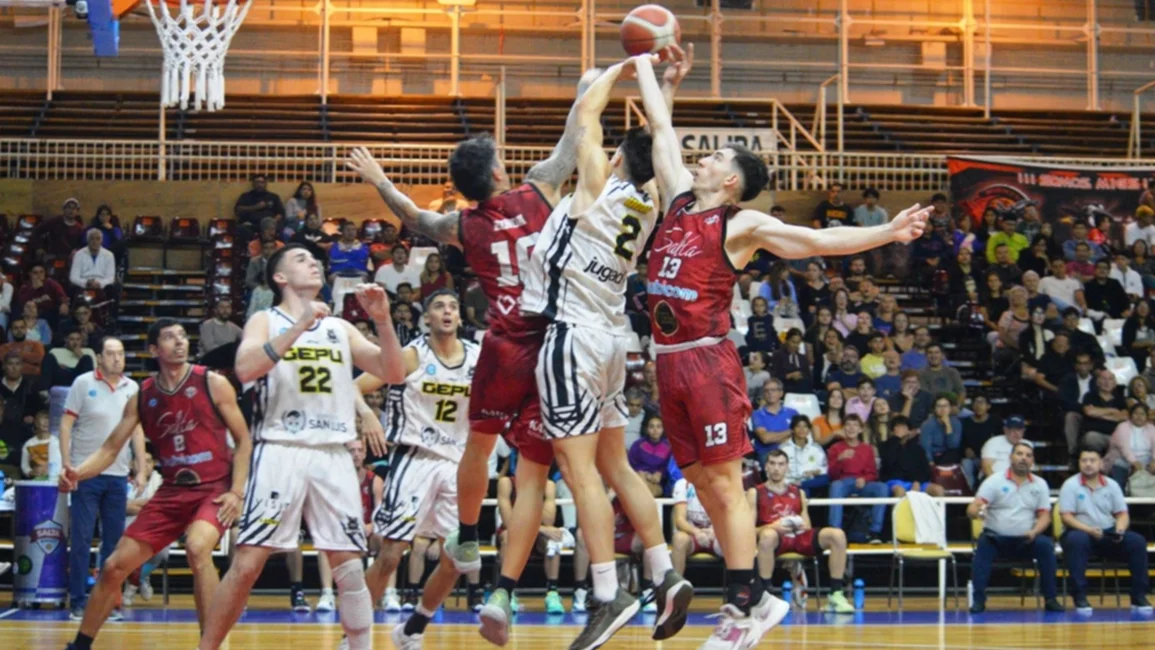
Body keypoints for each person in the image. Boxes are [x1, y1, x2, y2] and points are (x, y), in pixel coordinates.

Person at [346, 67, 596, 648]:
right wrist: (588, 90)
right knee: (538, 471)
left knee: (478, 444)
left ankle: (463, 536)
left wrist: (381, 179)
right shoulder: (538, 189)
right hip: (554, 348)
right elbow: (574, 139)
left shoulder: (464, 224)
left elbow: (412, 218)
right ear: (501, 171)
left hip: (504, 346)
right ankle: (525, 587)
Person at [488, 59, 693, 649]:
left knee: (579, 474)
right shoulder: (651, 205)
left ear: (618, 160)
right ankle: (664, 571)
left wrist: (624, 67)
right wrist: (665, 88)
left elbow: (586, 119)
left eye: (609, 153)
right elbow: (659, 144)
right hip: (610, 341)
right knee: (614, 466)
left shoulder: (597, 193)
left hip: (571, 337)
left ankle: (608, 595)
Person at [195, 245, 402, 650]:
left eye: (316, 260)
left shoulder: (340, 328)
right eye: (302, 259)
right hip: (280, 448)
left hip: (333, 452)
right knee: (248, 563)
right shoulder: (264, 319)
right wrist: (299, 326)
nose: (314, 263)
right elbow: (245, 368)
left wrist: (384, 320)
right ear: (280, 278)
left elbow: (393, 371)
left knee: (349, 566)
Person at [59, 322, 252, 650]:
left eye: (182, 336)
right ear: (153, 350)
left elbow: (244, 439)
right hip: (172, 492)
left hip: (213, 488)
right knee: (113, 566)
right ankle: (80, 645)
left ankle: (212, 645)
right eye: (169, 337)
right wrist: (77, 472)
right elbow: (109, 450)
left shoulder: (213, 382)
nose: (179, 342)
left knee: (197, 548)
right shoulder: (143, 396)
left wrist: (237, 490)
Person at [353, 289, 485, 644]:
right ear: (426, 317)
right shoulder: (411, 356)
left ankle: (411, 630)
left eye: (453, 307)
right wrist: (367, 415)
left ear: (460, 318)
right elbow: (354, 387)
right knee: (391, 553)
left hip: (458, 464)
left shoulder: (477, 358)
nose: (447, 311)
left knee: (454, 559)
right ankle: (355, 637)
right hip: (415, 458)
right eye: (439, 306)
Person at [58, 338, 142, 622]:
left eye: (121, 354)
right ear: (99, 357)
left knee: (114, 545)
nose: (117, 359)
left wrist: (141, 467)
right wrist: (67, 462)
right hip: (86, 474)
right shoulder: (83, 383)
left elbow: (137, 431)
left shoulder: (133, 388)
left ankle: (108, 603)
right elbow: (66, 423)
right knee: (81, 540)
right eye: (111, 354)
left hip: (118, 477)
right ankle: (78, 601)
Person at [752, 450, 854, 613]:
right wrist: (773, 526)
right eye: (772, 464)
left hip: (798, 536)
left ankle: (836, 594)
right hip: (775, 538)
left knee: (837, 535)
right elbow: (748, 530)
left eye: (781, 464)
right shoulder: (755, 492)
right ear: (766, 467)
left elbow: (807, 525)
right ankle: (765, 597)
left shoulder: (798, 492)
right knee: (767, 535)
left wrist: (797, 523)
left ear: (787, 467)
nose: (776, 468)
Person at [966, 442, 1063, 614]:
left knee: (1046, 546)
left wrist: (1035, 531)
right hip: (996, 538)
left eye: (1028, 455)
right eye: (1019, 454)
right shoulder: (994, 481)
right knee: (983, 545)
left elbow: (1045, 516)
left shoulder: (1040, 484)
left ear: (1032, 460)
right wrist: (978, 513)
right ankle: (979, 600)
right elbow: (973, 508)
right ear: (1011, 457)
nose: (1023, 458)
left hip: (1027, 539)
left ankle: (1050, 598)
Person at [1059, 447, 1152, 613]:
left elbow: (1122, 514)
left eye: (1092, 460)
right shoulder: (1070, 485)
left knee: (1137, 541)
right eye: (1084, 460)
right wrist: (1088, 530)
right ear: (1079, 463)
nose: (1088, 464)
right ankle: (1080, 596)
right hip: (1080, 531)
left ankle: (1138, 596)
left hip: (1108, 531)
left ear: (1101, 463)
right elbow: (1066, 517)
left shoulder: (1112, 485)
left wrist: (1120, 530)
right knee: (1076, 541)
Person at [826, 414, 888, 544]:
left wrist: (865, 479)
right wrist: (839, 460)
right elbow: (832, 475)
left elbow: (872, 473)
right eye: (848, 425)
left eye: (855, 425)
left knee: (882, 488)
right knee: (836, 486)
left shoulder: (867, 449)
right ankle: (835, 531)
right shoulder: (835, 448)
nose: (851, 428)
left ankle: (874, 532)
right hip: (844, 482)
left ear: (860, 429)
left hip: (863, 483)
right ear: (843, 428)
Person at [880, 415, 943, 497]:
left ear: (909, 430)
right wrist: (896, 440)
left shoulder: (917, 448)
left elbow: (925, 469)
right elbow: (888, 463)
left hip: (916, 482)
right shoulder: (886, 446)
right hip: (895, 481)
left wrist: (917, 482)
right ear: (892, 431)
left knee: (938, 490)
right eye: (898, 427)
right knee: (900, 491)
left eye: (904, 427)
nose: (901, 429)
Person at [779, 414, 829, 496]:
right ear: (792, 429)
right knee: (804, 491)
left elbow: (824, 468)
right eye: (798, 426)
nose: (802, 429)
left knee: (825, 479)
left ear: (809, 430)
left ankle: (802, 484)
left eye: (805, 426)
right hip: (790, 481)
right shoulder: (783, 449)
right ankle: (800, 486)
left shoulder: (816, 448)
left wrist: (816, 471)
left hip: (811, 481)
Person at [750, 379, 796, 462]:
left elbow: (799, 435)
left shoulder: (792, 412)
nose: (770, 393)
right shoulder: (757, 414)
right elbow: (765, 438)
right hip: (768, 454)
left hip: (791, 451)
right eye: (766, 390)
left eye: (773, 390)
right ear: (763, 394)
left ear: (781, 393)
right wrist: (790, 432)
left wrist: (774, 437)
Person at [198, 298, 243, 367]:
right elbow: (209, 348)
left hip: (228, 363)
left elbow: (246, 337)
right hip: (209, 362)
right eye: (222, 307)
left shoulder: (234, 327)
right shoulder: (207, 325)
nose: (225, 310)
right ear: (215, 310)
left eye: (228, 307)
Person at [20, 410, 60, 479]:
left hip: (55, 479)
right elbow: (24, 466)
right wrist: (31, 472)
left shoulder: (57, 441)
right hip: (36, 479)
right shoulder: (29, 444)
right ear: (36, 423)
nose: (46, 422)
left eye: (48, 419)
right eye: (42, 419)